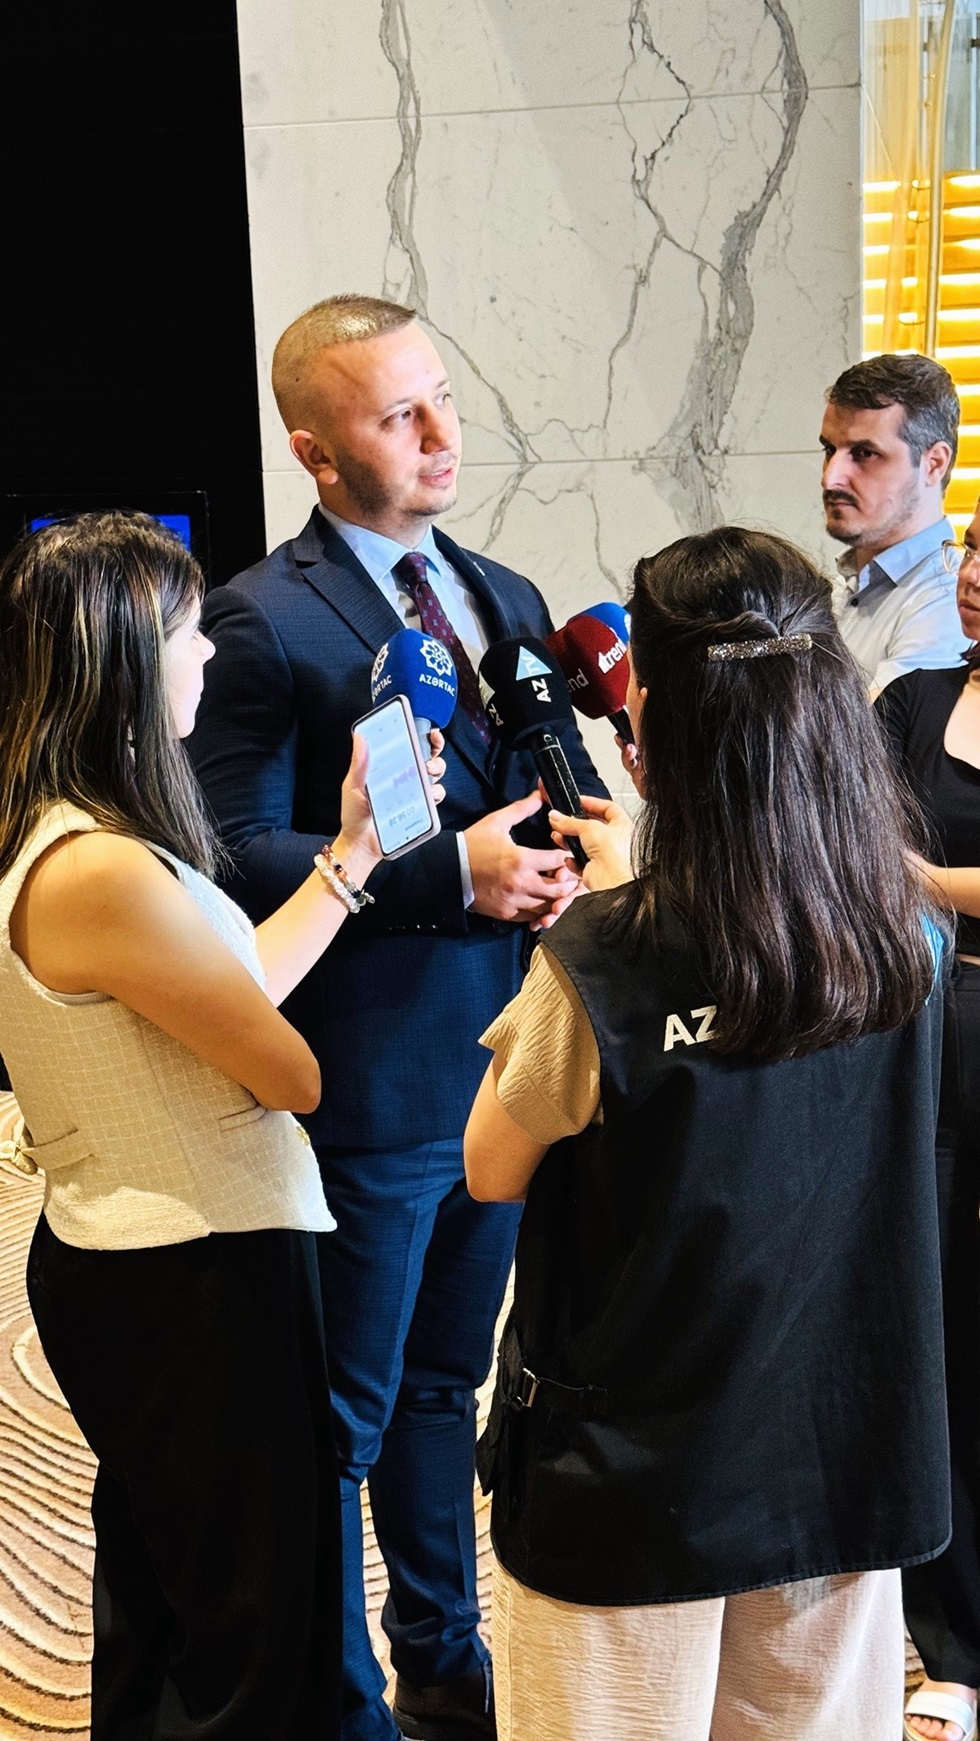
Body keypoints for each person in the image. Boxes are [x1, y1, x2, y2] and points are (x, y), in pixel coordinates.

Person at [187, 293, 604, 1741]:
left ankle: (443, 1667)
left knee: (448, 1390)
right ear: (313, 449)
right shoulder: (256, 619)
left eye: (442, 399)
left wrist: (552, 864)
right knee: (345, 1415)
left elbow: (541, 787)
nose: (442, 436)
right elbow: (230, 851)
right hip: (364, 1076)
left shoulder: (502, 588)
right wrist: (449, 874)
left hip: (505, 1066)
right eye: (396, 416)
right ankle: (335, 1700)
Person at [464, 526, 951, 1741]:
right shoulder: (904, 939)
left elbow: (489, 1166)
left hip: (634, 1471)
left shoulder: (596, 967)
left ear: (657, 734)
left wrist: (626, 906)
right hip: (840, 1450)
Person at [0, 510, 443, 1740]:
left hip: (152, 1257)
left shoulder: (83, 836)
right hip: (187, 1272)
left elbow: (235, 975)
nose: (206, 660)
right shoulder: (99, 868)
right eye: (191, 637)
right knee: (254, 1619)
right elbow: (289, 1069)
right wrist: (277, 1051)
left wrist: (351, 855)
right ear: (131, 661)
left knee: (177, 1586)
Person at [875, 503, 980, 1741]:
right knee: (935, 1328)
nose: (972, 579)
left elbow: (884, 860)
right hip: (915, 1046)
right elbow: (838, 840)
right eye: (970, 553)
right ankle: (950, 1637)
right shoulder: (906, 702)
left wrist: (916, 879)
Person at [821, 352, 962, 695]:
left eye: (864, 453)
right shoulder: (845, 587)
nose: (831, 478)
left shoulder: (949, 605)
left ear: (933, 464)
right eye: (829, 450)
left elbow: (872, 747)